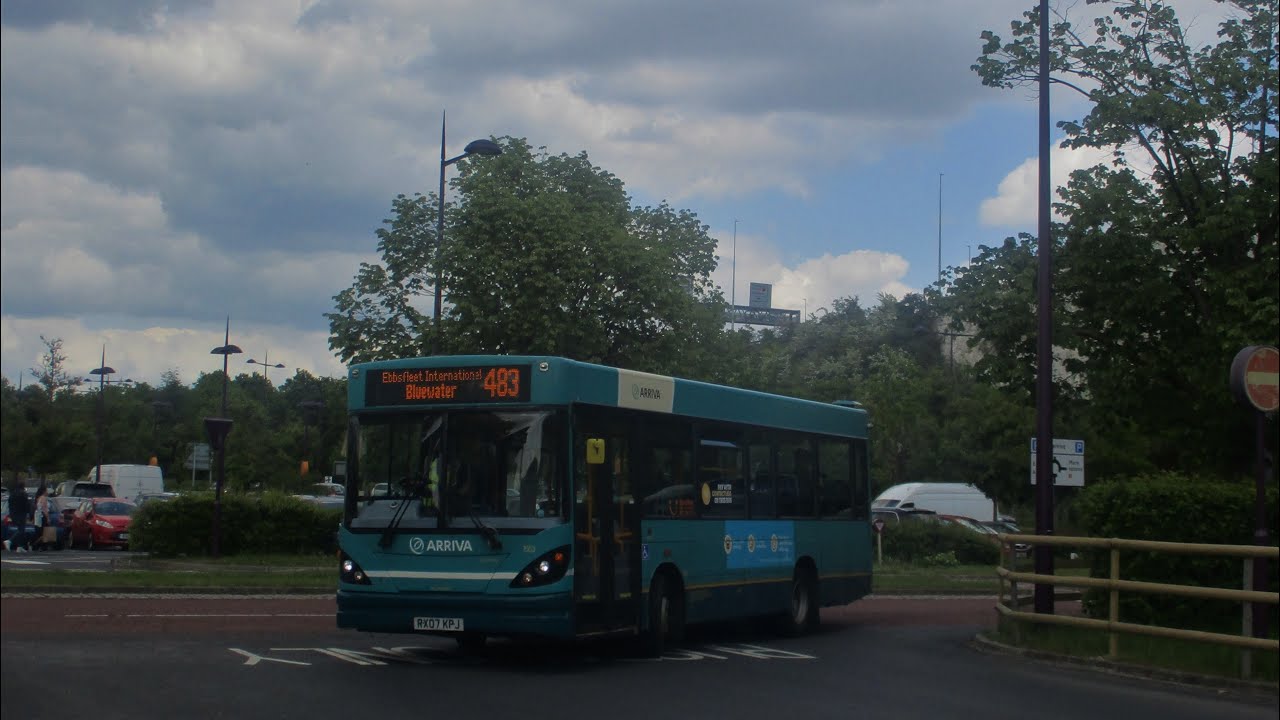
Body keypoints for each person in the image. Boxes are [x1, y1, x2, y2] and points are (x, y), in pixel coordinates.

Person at [8, 480, 31, 552]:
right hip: (21, 513)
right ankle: (10, 541)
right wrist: (29, 512)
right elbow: (27, 504)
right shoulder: (23, 494)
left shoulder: (13, 493)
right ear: (23, 486)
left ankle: (20, 546)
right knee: (21, 530)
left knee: (20, 529)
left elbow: (9, 502)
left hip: (13, 513)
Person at [32, 481, 51, 551]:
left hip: (37, 516)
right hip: (42, 516)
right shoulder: (44, 498)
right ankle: (41, 545)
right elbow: (44, 509)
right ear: (44, 491)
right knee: (46, 531)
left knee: (39, 532)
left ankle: (36, 545)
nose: (47, 492)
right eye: (46, 490)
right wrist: (48, 518)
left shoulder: (38, 498)